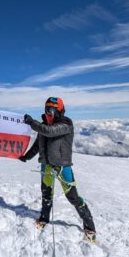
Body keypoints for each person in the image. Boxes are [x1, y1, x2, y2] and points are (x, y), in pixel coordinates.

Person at [19, 96, 96, 241]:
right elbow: (37, 145)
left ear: (60, 111)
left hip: (63, 167)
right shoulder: (43, 124)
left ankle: (89, 225)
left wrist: (32, 123)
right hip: (46, 165)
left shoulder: (66, 124)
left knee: (72, 197)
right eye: (47, 109)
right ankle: (44, 218)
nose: (49, 112)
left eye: (52, 109)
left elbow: (49, 131)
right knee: (46, 193)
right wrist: (26, 156)